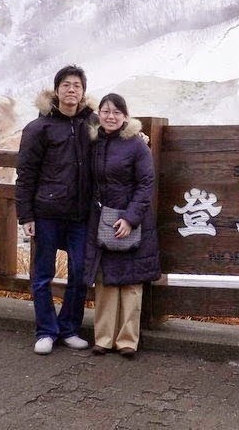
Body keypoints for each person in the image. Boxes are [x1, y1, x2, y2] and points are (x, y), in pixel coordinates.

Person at [15, 65, 95, 355]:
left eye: (77, 85)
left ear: (83, 92)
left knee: (80, 271)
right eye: (66, 85)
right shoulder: (39, 127)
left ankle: (69, 328)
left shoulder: (91, 123)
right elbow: (25, 173)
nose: (71, 89)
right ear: (57, 90)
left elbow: (118, 131)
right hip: (47, 211)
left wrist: (139, 137)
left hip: (80, 213)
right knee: (43, 274)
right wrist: (26, 214)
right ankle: (46, 331)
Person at [84, 93, 160, 358]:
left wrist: (130, 218)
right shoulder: (94, 141)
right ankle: (103, 338)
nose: (111, 116)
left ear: (126, 116)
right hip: (102, 219)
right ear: (99, 114)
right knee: (104, 279)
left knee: (131, 281)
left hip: (132, 221)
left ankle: (128, 340)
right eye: (106, 111)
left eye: (117, 112)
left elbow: (146, 183)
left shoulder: (137, 145)